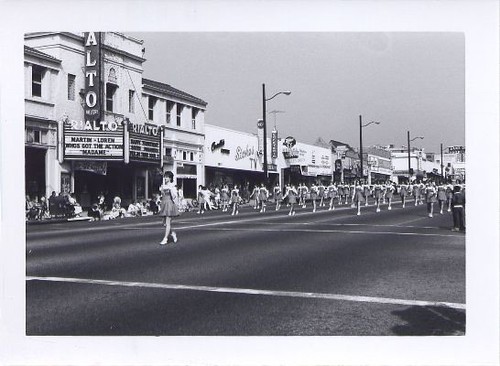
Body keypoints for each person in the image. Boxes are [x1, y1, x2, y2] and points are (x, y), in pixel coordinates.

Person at [158, 171, 179, 245]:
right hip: (164, 203)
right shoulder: (164, 185)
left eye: (167, 177)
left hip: (169, 204)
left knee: (167, 222)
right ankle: (173, 233)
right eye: (165, 176)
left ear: (170, 178)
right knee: (164, 223)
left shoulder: (172, 186)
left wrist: (170, 190)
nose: (165, 178)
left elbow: (174, 196)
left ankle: (165, 238)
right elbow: (161, 195)